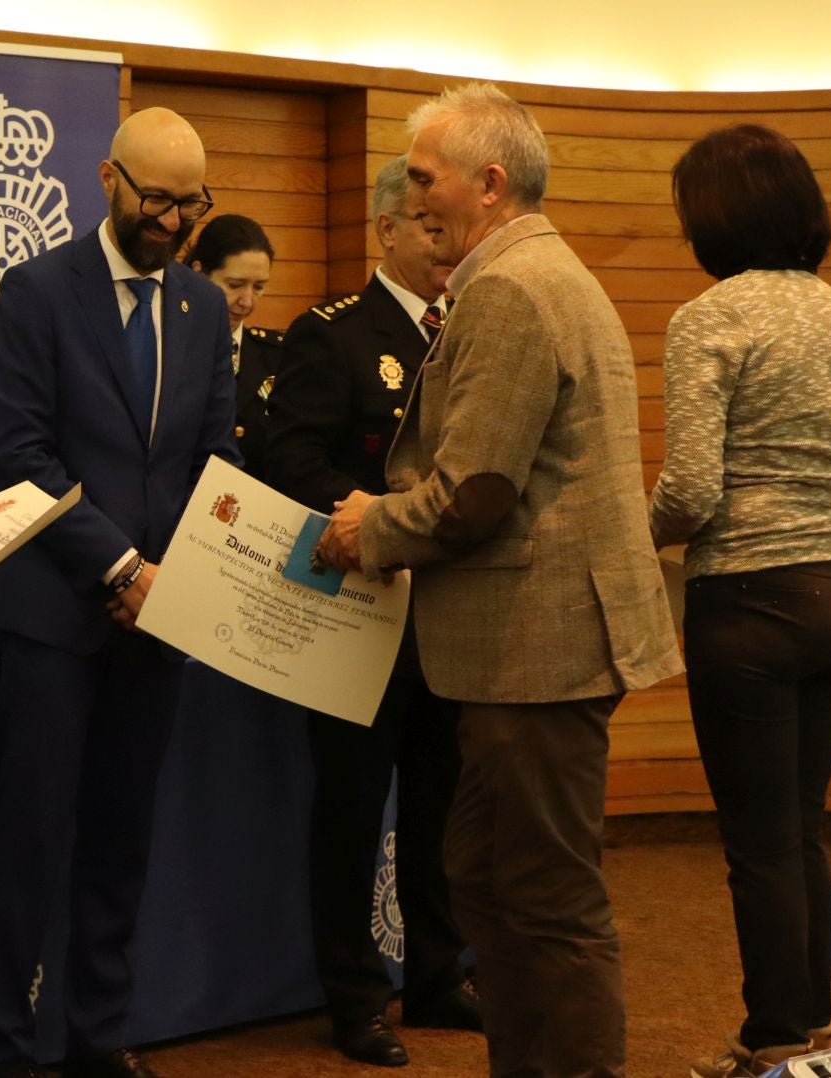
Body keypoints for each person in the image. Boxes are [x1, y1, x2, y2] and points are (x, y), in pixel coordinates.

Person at [315, 83, 683, 1078]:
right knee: (481, 873)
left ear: (489, 181)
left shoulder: (511, 289)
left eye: (427, 174)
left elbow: (472, 492)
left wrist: (368, 527)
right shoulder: (531, 273)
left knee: (548, 901)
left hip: (540, 651)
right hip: (523, 654)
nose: (410, 190)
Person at [0, 106, 240, 1078]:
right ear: (108, 180)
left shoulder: (203, 309)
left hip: (160, 620)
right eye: (157, 198)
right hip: (57, 616)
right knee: (30, 840)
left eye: (192, 204)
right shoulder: (38, 290)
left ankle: (98, 1036)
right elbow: (21, 457)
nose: (172, 220)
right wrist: (122, 568)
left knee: (121, 838)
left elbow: (217, 457)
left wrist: (218, 563)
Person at [655, 125, 831, 1078]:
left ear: (713, 216)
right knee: (802, 828)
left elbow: (694, 490)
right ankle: (813, 1026)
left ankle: (772, 1042)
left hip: (749, 603)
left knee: (758, 844)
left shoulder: (708, 318)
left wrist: (634, 525)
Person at [263, 154, 478, 1068]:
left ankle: (437, 971)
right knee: (353, 806)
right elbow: (292, 462)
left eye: (449, 227)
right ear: (387, 230)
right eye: (428, 227)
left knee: (443, 802)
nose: (444, 242)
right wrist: (376, 528)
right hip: (358, 606)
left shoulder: (477, 324)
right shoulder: (334, 333)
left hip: (456, 610)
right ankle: (354, 994)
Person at [183, 213, 281, 475]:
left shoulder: (278, 356)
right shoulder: (169, 351)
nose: (247, 301)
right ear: (199, 273)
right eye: (234, 285)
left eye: (259, 287)